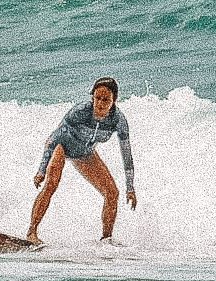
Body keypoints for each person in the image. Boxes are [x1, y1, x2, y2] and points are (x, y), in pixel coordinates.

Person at [28, 77, 137, 243]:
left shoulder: (118, 120)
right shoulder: (80, 112)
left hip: (85, 154)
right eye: (97, 98)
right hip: (62, 146)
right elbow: (53, 139)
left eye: (106, 99)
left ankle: (106, 240)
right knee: (51, 184)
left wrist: (130, 188)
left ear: (114, 101)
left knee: (112, 193)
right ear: (92, 96)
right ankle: (32, 232)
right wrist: (42, 170)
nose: (100, 103)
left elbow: (127, 155)